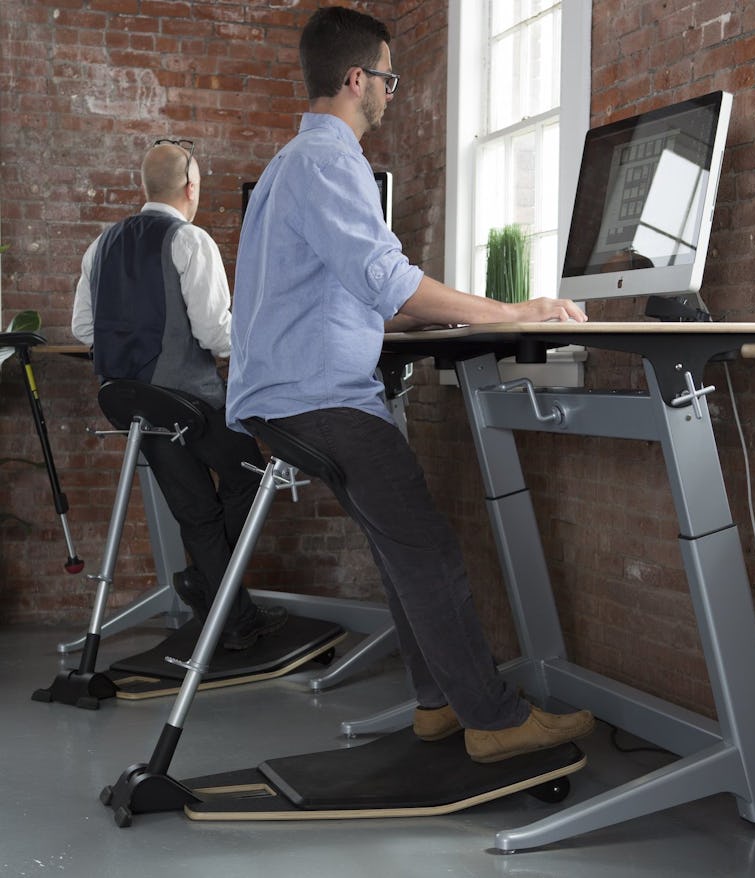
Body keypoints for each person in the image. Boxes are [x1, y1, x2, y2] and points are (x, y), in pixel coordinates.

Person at [226, 6, 594, 763]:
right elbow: (389, 282)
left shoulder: (286, 166)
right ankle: (492, 719)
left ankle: (437, 705)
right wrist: (513, 311)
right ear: (357, 79)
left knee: (404, 547)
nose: (392, 93)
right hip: (319, 397)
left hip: (283, 393)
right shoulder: (332, 161)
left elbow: (341, 289)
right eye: (388, 79)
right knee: (429, 551)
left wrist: (428, 317)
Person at [72, 139, 286, 651]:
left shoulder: (100, 244)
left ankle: (222, 606)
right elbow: (216, 335)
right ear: (191, 187)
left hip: (131, 403)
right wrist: (269, 339)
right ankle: (212, 591)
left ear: (144, 187)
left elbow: (84, 329)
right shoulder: (190, 241)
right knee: (250, 481)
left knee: (197, 513)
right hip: (189, 399)